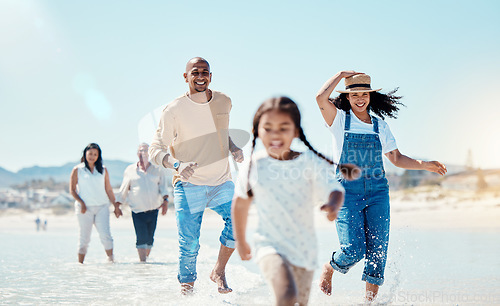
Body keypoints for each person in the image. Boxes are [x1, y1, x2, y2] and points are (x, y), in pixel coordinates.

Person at [315, 72, 447, 303]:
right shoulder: (338, 120)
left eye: (363, 94)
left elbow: (395, 158)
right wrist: (341, 75)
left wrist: (425, 165)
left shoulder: (380, 126)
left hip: (378, 193)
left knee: (378, 251)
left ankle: (368, 302)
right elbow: (320, 97)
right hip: (347, 193)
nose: (359, 99)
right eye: (354, 94)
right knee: (354, 249)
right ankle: (330, 266)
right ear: (347, 97)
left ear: (369, 96)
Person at [232, 97, 352, 306]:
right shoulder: (254, 166)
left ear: (296, 131)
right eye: (267, 128)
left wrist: (333, 206)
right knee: (287, 296)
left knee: (300, 301)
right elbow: (240, 203)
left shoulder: (309, 162)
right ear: (257, 131)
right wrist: (241, 241)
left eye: (283, 128)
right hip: (269, 246)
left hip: (305, 250)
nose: (275, 134)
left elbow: (335, 189)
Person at [149, 57, 244, 294]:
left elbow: (221, 132)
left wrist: (232, 146)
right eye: (195, 72)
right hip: (189, 184)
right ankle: (187, 290)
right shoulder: (173, 110)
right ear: (186, 77)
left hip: (222, 181)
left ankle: (218, 271)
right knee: (189, 244)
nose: (200, 76)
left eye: (205, 72)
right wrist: (177, 164)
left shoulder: (224, 101)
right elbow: (155, 149)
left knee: (239, 222)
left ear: (210, 76)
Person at [114, 143, 170, 262]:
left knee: (150, 239)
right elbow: (123, 189)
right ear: (137, 153)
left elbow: (163, 188)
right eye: (140, 150)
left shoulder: (157, 170)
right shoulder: (130, 170)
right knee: (141, 237)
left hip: (154, 209)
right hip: (137, 210)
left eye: (145, 150)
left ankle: (145, 260)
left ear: (149, 154)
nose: (142, 153)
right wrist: (117, 205)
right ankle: (143, 263)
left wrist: (165, 202)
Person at [69, 143, 122, 264]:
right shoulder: (78, 170)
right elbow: (72, 190)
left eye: (95, 154)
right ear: (85, 154)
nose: (92, 156)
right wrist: (81, 203)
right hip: (84, 209)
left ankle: (111, 261)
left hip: (102, 207)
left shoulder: (103, 170)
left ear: (98, 156)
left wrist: (116, 206)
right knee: (84, 238)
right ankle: (80, 265)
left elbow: (108, 190)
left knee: (106, 235)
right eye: (90, 154)